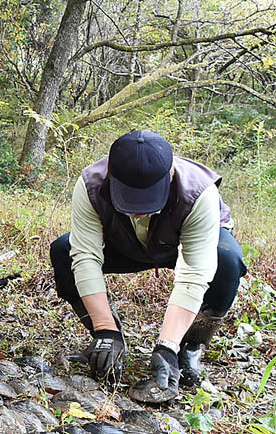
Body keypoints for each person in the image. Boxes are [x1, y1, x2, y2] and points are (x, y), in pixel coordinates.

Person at [49, 130, 247, 404]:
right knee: (63, 251)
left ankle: (189, 347)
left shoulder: (199, 191)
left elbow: (195, 273)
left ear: (170, 176)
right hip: (123, 243)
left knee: (227, 259)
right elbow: (85, 256)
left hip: (179, 243)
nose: (139, 210)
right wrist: (106, 328)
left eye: (147, 200)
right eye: (129, 200)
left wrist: (167, 345)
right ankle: (107, 342)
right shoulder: (91, 184)